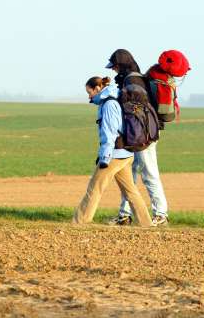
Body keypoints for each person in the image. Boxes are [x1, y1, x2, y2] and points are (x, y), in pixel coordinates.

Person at [72, 76, 152, 227]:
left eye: (89, 92)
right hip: (126, 154)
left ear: (97, 88)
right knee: (130, 191)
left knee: (94, 188)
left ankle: (79, 223)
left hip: (114, 155)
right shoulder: (115, 98)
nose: (89, 96)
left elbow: (110, 133)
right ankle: (146, 224)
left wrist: (105, 157)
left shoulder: (108, 104)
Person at [105, 49, 169, 226]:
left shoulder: (132, 80)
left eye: (115, 66)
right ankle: (125, 215)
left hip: (142, 136)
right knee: (129, 176)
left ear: (122, 65)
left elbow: (136, 113)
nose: (113, 70)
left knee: (149, 174)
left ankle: (161, 214)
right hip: (136, 136)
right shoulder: (133, 78)